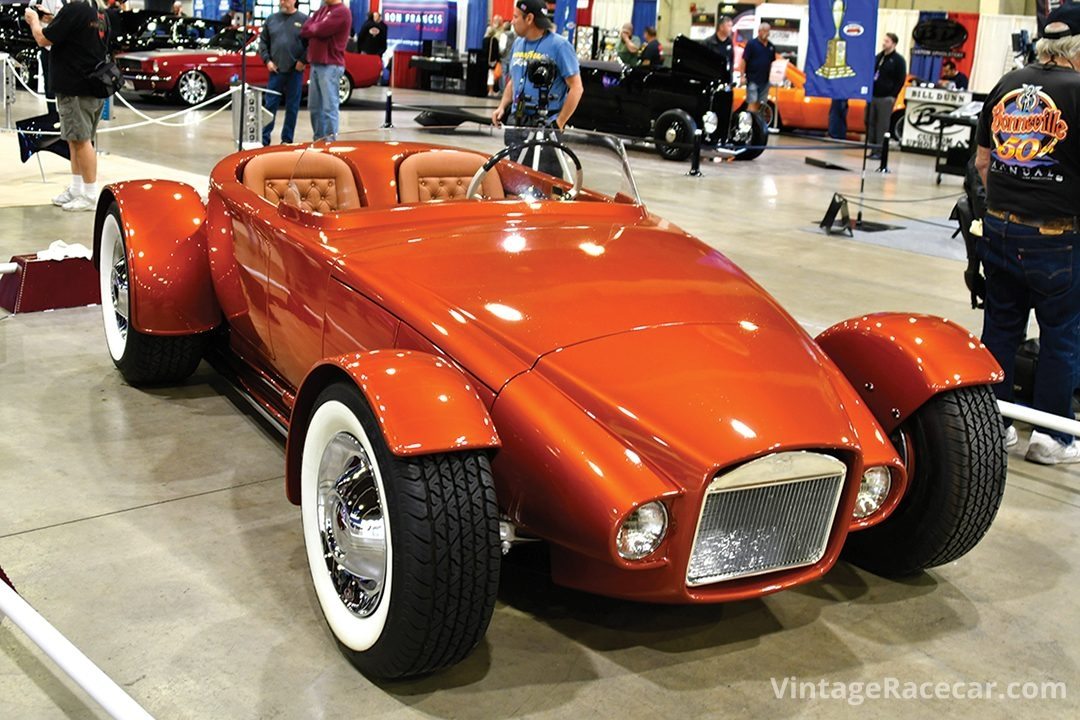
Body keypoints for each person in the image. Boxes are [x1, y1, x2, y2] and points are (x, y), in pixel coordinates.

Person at [973, 5, 1080, 464]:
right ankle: (1052, 436)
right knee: (1062, 335)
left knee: (1000, 327)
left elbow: (982, 162)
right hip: (1058, 237)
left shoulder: (1006, 83)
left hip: (999, 227)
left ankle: (994, 426)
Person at [24, 0, 108, 212]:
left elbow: (42, 39)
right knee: (74, 139)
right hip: (92, 84)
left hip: (75, 87)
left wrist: (34, 21)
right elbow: (79, 36)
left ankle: (89, 194)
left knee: (81, 140)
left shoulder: (74, 9)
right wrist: (52, 20)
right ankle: (77, 188)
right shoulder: (98, 12)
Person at [491, 0, 582, 177]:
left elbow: (576, 87)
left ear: (530, 18)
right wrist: (502, 106)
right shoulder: (517, 44)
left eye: (516, 16)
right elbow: (513, 81)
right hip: (517, 121)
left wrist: (560, 122)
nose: (512, 21)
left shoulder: (560, 46)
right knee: (515, 178)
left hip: (547, 124)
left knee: (546, 181)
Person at [258, 0, 307, 146]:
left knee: (292, 107)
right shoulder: (271, 19)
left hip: (295, 72)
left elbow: (311, 44)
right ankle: (264, 139)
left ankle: (287, 139)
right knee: (270, 105)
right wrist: (267, 61)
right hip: (276, 71)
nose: (282, 1)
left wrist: (303, 61)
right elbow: (263, 42)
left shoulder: (304, 20)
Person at [300, 0, 351, 141]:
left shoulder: (341, 12)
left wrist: (314, 28)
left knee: (329, 107)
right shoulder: (322, 10)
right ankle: (319, 140)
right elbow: (305, 29)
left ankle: (330, 143)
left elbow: (319, 30)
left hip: (330, 65)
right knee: (315, 107)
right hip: (316, 64)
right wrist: (314, 28)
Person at [867, 32, 906, 159]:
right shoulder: (878, 57)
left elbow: (900, 80)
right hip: (873, 95)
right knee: (870, 122)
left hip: (886, 98)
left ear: (894, 44)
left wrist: (893, 95)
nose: (884, 43)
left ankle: (879, 151)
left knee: (881, 126)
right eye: (884, 41)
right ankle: (872, 149)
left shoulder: (898, 61)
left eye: (887, 41)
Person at [740, 22, 776, 116]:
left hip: (765, 80)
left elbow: (772, 63)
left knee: (760, 103)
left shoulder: (771, 47)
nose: (766, 33)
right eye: (763, 30)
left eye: (767, 31)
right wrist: (742, 76)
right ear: (759, 31)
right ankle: (749, 122)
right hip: (752, 79)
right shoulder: (751, 44)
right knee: (752, 101)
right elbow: (744, 60)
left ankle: (756, 122)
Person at [702, 14, 734, 82]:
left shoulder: (730, 43)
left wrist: (730, 78)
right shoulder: (708, 42)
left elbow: (731, 61)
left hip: (725, 79)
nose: (731, 29)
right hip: (711, 78)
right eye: (729, 26)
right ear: (721, 27)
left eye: (731, 26)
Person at [484, 14, 505, 95]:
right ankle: (491, 90)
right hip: (492, 58)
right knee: (491, 74)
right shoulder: (491, 35)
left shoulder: (501, 34)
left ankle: (493, 89)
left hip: (495, 57)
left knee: (494, 74)